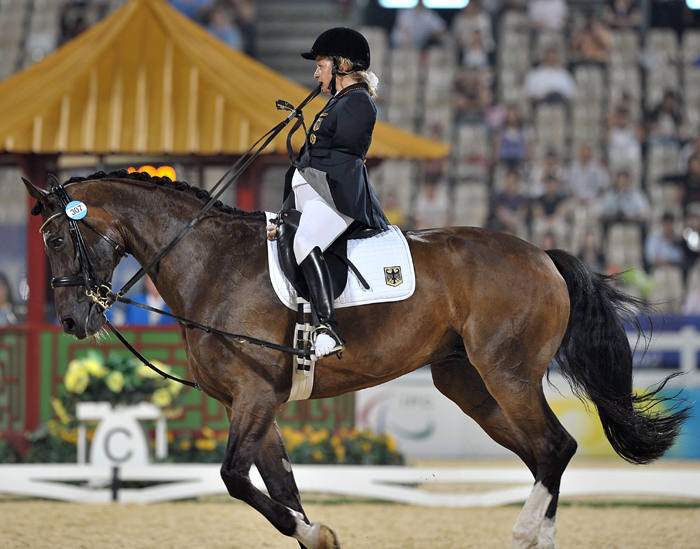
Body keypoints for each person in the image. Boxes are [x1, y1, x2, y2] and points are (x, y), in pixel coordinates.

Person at [282, 27, 388, 358]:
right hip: (317, 192)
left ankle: (328, 327)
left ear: (341, 65)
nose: (316, 73)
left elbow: (344, 154)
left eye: (320, 65)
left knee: (305, 241)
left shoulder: (358, 102)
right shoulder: (339, 102)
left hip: (337, 193)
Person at [486, 168, 529, 236]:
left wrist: (514, 222)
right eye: (509, 180)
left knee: (522, 229)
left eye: (513, 180)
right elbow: (501, 214)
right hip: (502, 226)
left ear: (517, 182)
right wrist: (510, 223)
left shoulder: (522, 198)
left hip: (516, 225)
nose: (511, 183)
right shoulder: (499, 197)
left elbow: (522, 213)